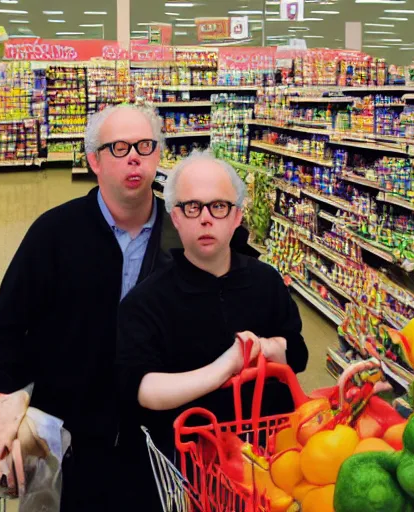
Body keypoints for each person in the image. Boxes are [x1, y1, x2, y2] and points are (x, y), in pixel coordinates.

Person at [0, 104, 251, 510]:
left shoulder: (188, 238)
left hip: (164, 450)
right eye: (118, 147)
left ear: (158, 156)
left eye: (144, 145)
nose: (133, 156)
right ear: (94, 160)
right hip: (70, 445)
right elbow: (2, 329)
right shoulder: (55, 234)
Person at [114, 151, 309, 509]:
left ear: (236, 216)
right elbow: (141, 388)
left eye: (218, 206)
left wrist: (267, 348)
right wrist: (226, 366)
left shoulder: (266, 282)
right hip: (190, 467)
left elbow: (296, 352)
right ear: (175, 216)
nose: (205, 219)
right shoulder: (146, 301)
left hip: (273, 460)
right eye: (192, 207)